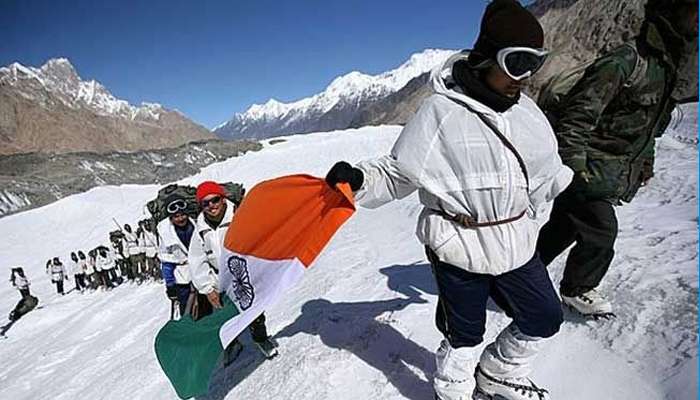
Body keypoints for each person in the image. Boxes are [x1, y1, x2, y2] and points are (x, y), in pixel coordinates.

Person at [326, 1, 571, 398]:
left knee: (544, 316)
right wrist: (357, 179)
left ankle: (499, 372)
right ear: (486, 57)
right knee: (465, 334)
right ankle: (452, 390)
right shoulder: (440, 112)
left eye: (534, 64)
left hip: (516, 240)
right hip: (459, 244)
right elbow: (397, 171)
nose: (523, 78)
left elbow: (544, 166)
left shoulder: (526, 111)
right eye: (516, 63)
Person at [535, 0, 698, 318]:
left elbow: (649, 128)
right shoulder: (625, 61)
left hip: (610, 168)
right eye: (693, 12)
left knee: (564, 227)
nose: (698, 21)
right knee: (601, 228)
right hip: (587, 165)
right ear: (671, 15)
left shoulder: (666, 68)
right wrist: (574, 165)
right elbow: (578, 115)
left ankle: (516, 277)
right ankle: (576, 289)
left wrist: (646, 162)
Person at [189, 181, 278, 360]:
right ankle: (232, 343)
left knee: (254, 311)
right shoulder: (200, 229)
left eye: (214, 200)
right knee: (225, 314)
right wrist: (207, 288)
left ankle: (261, 339)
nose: (211, 206)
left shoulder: (239, 215)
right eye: (205, 203)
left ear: (222, 199)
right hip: (219, 280)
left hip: (243, 273)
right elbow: (196, 259)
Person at [157, 194, 196, 316]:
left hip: (201, 272)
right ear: (171, 218)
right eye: (176, 216)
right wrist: (170, 285)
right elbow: (167, 262)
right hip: (182, 277)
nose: (180, 219)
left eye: (183, 215)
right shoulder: (166, 234)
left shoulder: (195, 225)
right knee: (186, 309)